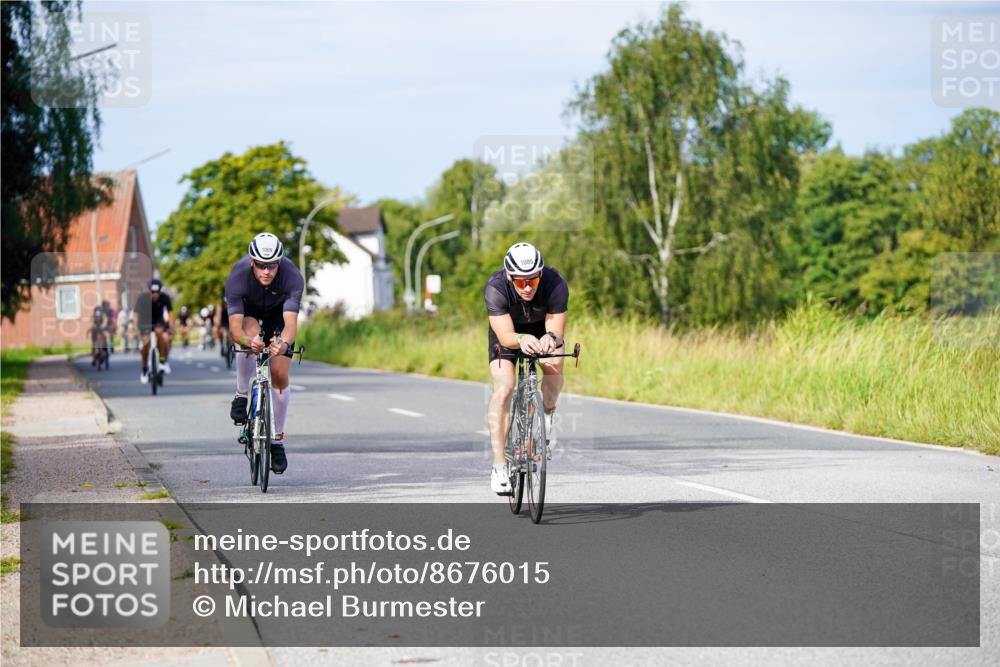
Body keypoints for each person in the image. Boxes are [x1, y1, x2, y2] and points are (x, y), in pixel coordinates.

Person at [484, 242, 568, 495]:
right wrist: (521, 339)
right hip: (508, 335)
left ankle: (547, 416)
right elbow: (505, 333)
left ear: (541, 274)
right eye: (521, 282)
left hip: (543, 331)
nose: (528, 287)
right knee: (505, 387)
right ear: (510, 277)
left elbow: (557, 330)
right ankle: (499, 466)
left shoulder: (555, 284)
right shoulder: (496, 288)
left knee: (553, 366)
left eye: (533, 280)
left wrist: (550, 339)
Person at [223, 232, 303, 475]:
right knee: (250, 338)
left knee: (279, 373)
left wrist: (285, 345)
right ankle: (241, 393)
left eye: (272, 265)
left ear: (280, 262)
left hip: (278, 316)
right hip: (250, 316)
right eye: (260, 265)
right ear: (251, 262)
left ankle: (277, 440)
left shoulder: (292, 277)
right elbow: (235, 329)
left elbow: (290, 324)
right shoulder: (237, 277)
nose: (266, 271)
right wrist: (249, 341)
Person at [133, 278, 173, 383]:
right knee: (146, 344)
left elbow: (170, 314)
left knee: (163, 339)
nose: (155, 294)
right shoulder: (142, 298)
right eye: (152, 292)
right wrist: (134, 328)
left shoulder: (165, 298)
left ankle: (162, 362)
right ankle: (145, 368)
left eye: (157, 292)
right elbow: (136, 315)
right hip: (144, 322)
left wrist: (170, 327)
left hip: (158, 322)